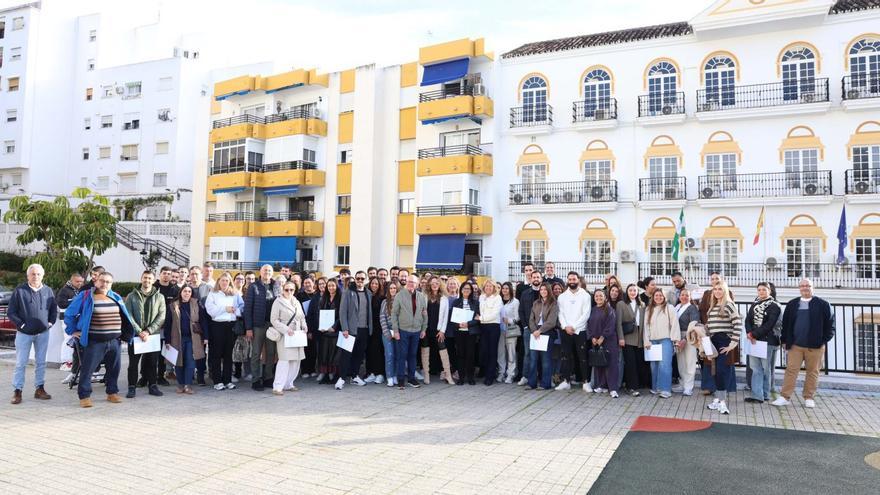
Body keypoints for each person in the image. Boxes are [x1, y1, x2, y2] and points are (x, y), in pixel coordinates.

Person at [64, 271, 136, 408]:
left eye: (108, 282)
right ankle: (84, 396)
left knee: (114, 369)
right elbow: (69, 313)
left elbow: (124, 316)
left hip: (114, 341)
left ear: (111, 284)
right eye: (102, 281)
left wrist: (125, 334)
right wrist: (72, 330)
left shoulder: (116, 297)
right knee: (88, 370)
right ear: (96, 281)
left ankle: (112, 392)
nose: (104, 284)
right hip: (94, 341)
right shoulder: (85, 296)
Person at [772, 278, 834, 409]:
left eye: (808, 285)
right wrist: (785, 340)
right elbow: (785, 324)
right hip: (795, 345)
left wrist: (822, 341)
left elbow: (830, 326)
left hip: (815, 346)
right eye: (802, 286)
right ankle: (785, 397)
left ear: (813, 287)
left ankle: (809, 397)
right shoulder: (792, 304)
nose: (805, 288)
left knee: (813, 372)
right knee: (791, 371)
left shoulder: (823, 304)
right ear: (799, 288)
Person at [9, 264, 57, 404]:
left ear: (42, 275)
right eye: (33, 274)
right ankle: (17, 391)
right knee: (21, 363)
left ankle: (39, 389)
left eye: (38, 274)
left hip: (43, 333)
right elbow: (11, 312)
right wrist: (22, 325)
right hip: (24, 334)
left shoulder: (48, 290)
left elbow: (54, 309)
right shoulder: (20, 291)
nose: (35, 276)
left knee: (41, 362)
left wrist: (50, 323)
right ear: (28, 276)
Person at [123, 271, 167, 399]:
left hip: (152, 335)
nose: (147, 280)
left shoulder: (160, 297)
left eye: (149, 278)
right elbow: (128, 315)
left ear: (153, 280)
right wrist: (139, 331)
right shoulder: (132, 296)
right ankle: (132, 387)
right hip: (136, 336)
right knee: (133, 364)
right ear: (141, 279)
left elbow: (161, 316)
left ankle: (152, 386)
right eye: (145, 278)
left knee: (152, 363)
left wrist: (148, 331)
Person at [705, 281, 742, 415]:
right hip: (713, 341)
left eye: (720, 289)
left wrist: (732, 344)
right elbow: (710, 327)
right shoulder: (712, 307)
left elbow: (738, 324)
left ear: (725, 291)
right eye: (715, 289)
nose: (717, 291)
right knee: (714, 371)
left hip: (724, 341)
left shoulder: (729, 305)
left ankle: (722, 402)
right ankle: (717, 399)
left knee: (722, 371)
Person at [205, 272, 244, 391]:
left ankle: (227, 380)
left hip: (230, 326)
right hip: (217, 326)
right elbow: (210, 310)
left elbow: (242, 307)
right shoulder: (213, 294)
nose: (224, 282)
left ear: (230, 282)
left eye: (227, 280)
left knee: (228, 354)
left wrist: (235, 310)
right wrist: (225, 309)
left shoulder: (235, 294)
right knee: (216, 354)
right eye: (222, 280)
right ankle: (217, 381)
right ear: (218, 281)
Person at [166, 285, 207, 394]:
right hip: (176, 338)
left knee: (190, 361)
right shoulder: (173, 305)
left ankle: (188, 385)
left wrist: (206, 337)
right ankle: (180, 384)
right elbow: (168, 324)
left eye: (189, 291)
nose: (187, 293)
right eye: (185, 291)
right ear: (181, 292)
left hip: (192, 339)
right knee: (178, 361)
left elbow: (203, 321)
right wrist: (168, 341)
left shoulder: (197, 304)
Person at [745, 282, 782, 404]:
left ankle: (765, 394)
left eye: (764, 289)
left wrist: (754, 334)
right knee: (755, 368)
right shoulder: (754, 304)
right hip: (754, 340)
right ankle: (757, 395)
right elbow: (748, 320)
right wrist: (749, 333)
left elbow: (770, 324)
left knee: (766, 369)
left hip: (767, 341)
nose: (761, 292)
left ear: (769, 291)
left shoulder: (775, 306)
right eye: (759, 290)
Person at [243, 265, 279, 391]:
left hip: (272, 325)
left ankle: (268, 378)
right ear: (260, 272)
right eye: (265, 270)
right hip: (258, 325)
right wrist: (248, 328)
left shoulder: (276, 286)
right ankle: (256, 380)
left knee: (271, 352)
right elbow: (247, 308)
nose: (267, 272)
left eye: (269, 271)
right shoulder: (254, 286)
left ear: (272, 273)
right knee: (256, 353)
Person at [556, 271, 592, 392]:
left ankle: (586, 382)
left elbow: (586, 314)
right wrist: (565, 326)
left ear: (578, 280)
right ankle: (566, 381)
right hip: (565, 330)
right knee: (565, 356)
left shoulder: (585, 295)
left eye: (574, 279)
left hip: (580, 331)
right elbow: (560, 313)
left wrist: (574, 327)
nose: (572, 281)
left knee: (582, 357)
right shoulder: (562, 296)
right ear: (567, 281)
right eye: (570, 279)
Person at [269, 281, 307, 395]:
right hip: (285, 334)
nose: (289, 292)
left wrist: (305, 326)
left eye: (291, 290)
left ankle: (288, 384)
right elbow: (274, 320)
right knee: (284, 360)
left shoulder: (296, 301)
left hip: (297, 334)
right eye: (287, 289)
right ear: (283, 289)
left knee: (295, 360)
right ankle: (278, 386)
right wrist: (286, 329)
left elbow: (302, 317)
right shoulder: (278, 301)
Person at [391, 275, 428, 389]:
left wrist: (423, 329)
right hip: (403, 330)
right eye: (409, 281)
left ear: (417, 284)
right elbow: (394, 314)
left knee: (412, 355)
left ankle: (411, 379)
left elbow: (424, 314)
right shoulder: (399, 295)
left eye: (413, 282)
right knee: (402, 355)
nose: (411, 284)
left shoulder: (421, 296)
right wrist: (396, 331)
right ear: (406, 282)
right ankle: (401, 379)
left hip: (416, 331)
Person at [337, 271, 373, 388]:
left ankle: (355, 376)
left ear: (365, 280)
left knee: (359, 354)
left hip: (364, 329)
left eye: (362, 278)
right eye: (358, 278)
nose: (360, 281)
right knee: (346, 355)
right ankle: (342, 378)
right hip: (351, 330)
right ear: (355, 279)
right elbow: (342, 312)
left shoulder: (368, 293)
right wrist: (345, 328)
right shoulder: (348, 292)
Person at [644, 289, 679, 399]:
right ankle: (656, 388)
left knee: (665, 364)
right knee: (654, 365)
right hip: (652, 340)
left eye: (660, 295)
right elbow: (646, 326)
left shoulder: (669, 308)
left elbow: (674, 324)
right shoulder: (649, 309)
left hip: (666, 339)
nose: (658, 297)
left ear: (664, 297)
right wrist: (646, 340)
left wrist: (675, 339)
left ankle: (665, 389)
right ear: (653, 297)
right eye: (656, 295)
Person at [588, 289, 619, 398]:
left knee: (611, 365)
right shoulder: (592, 310)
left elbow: (611, 325)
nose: (598, 298)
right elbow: (589, 325)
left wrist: (603, 336)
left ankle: (613, 389)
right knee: (599, 363)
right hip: (596, 341)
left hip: (609, 340)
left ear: (605, 297)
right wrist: (592, 337)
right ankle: (601, 385)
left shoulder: (609, 309)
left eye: (601, 296)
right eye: (596, 296)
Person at [423, 276, 453, 385]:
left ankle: (448, 375)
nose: (434, 285)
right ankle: (426, 375)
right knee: (425, 351)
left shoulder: (444, 298)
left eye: (437, 283)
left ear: (440, 284)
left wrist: (442, 331)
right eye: (432, 283)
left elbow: (445, 316)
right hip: (426, 328)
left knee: (443, 349)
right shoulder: (424, 296)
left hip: (438, 329)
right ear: (429, 285)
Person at [618, 284, 646, 396]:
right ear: (627, 292)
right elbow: (618, 323)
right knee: (630, 363)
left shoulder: (642, 304)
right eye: (630, 290)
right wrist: (621, 337)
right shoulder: (621, 304)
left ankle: (636, 385)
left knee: (639, 362)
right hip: (628, 337)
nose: (633, 292)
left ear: (637, 292)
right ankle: (631, 387)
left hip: (639, 337)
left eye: (635, 290)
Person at [528, 282, 558, 390]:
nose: (543, 291)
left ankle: (545, 384)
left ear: (549, 291)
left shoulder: (553, 303)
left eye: (545, 289)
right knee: (533, 359)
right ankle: (531, 383)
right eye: (541, 289)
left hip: (547, 332)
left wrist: (540, 331)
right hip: (535, 332)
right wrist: (534, 330)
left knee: (546, 360)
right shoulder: (536, 303)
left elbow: (551, 321)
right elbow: (531, 319)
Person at [517, 270, 544, 386]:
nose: (536, 279)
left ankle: (542, 377)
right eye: (534, 277)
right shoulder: (525, 293)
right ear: (531, 279)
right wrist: (525, 326)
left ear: (541, 279)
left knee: (542, 354)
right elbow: (521, 311)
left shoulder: (544, 292)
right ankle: (525, 376)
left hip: (542, 329)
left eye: (538, 277)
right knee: (528, 353)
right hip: (528, 329)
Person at [154, 266, 179, 385]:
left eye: (169, 274)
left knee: (163, 353)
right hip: (153, 326)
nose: (166, 275)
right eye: (164, 273)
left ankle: (161, 376)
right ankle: (145, 376)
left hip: (167, 327)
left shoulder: (174, 289)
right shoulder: (153, 287)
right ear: (160, 274)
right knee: (150, 353)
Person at [674, 289, 700, 396]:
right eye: (682, 295)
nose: (684, 297)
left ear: (690, 297)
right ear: (679, 296)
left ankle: (689, 387)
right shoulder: (676, 307)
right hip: (677, 336)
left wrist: (685, 339)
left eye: (687, 295)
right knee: (681, 362)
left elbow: (694, 324)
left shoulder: (692, 308)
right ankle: (683, 384)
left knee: (690, 362)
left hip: (689, 336)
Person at [316, 278, 341, 384]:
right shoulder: (324, 298)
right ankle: (324, 372)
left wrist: (334, 327)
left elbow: (341, 315)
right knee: (324, 352)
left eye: (333, 285)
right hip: (324, 331)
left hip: (335, 331)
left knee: (333, 353)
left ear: (336, 286)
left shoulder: (340, 298)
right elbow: (319, 313)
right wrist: (321, 325)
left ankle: (332, 373)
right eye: (329, 286)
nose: (331, 287)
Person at [478, 279, 502, 386]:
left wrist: (481, 318)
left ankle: (490, 377)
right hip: (483, 326)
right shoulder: (481, 297)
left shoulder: (497, 298)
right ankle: (485, 372)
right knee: (484, 351)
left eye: (490, 286)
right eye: (486, 286)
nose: (488, 288)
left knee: (492, 352)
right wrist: (481, 319)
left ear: (494, 288)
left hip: (493, 326)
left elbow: (495, 314)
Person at [364, 277, 386, 384]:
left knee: (377, 351)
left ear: (379, 286)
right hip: (368, 328)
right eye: (372, 283)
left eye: (376, 284)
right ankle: (371, 373)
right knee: (369, 351)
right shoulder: (366, 296)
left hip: (379, 328)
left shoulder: (382, 298)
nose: (374, 285)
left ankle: (380, 374)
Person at [379, 282, 400, 388]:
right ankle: (389, 377)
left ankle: (395, 375)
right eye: (391, 288)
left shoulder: (401, 301)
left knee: (397, 355)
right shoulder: (384, 302)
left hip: (398, 332)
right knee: (389, 354)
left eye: (394, 288)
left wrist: (397, 332)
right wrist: (387, 332)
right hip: (387, 332)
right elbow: (382, 317)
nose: (392, 290)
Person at [499, 282, 520, 384]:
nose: (504, 290)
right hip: (500, 330)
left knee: (511, 353)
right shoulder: (498, 300)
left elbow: (517, 317)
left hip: (511, 329)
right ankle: (501, 373)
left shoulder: (515, 302)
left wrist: (510, 320)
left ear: (510, 289)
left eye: (507, 288)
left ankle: (510, 374)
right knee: (501, 353)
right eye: (503, 288)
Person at [297, 277, 318, 378]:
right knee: (304, 348)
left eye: (309, 282)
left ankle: (312, 369)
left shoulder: (317, 295)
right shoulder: (299, 295)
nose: (307, 284)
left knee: (313, 349)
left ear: (313, 283)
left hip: (314, 325)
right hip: (302, 324)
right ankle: (304, 370)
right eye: (305, 283)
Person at [232, 273, 251, 381]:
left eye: (242, 279)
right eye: (238, 278)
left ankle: (247, 372)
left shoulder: (247, 293)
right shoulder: (231, 292)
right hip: (234, 324)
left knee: (246, 349)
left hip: (245, 324)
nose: (240, 280)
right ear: (234, 280)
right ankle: (237, 373)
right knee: (235, 350)